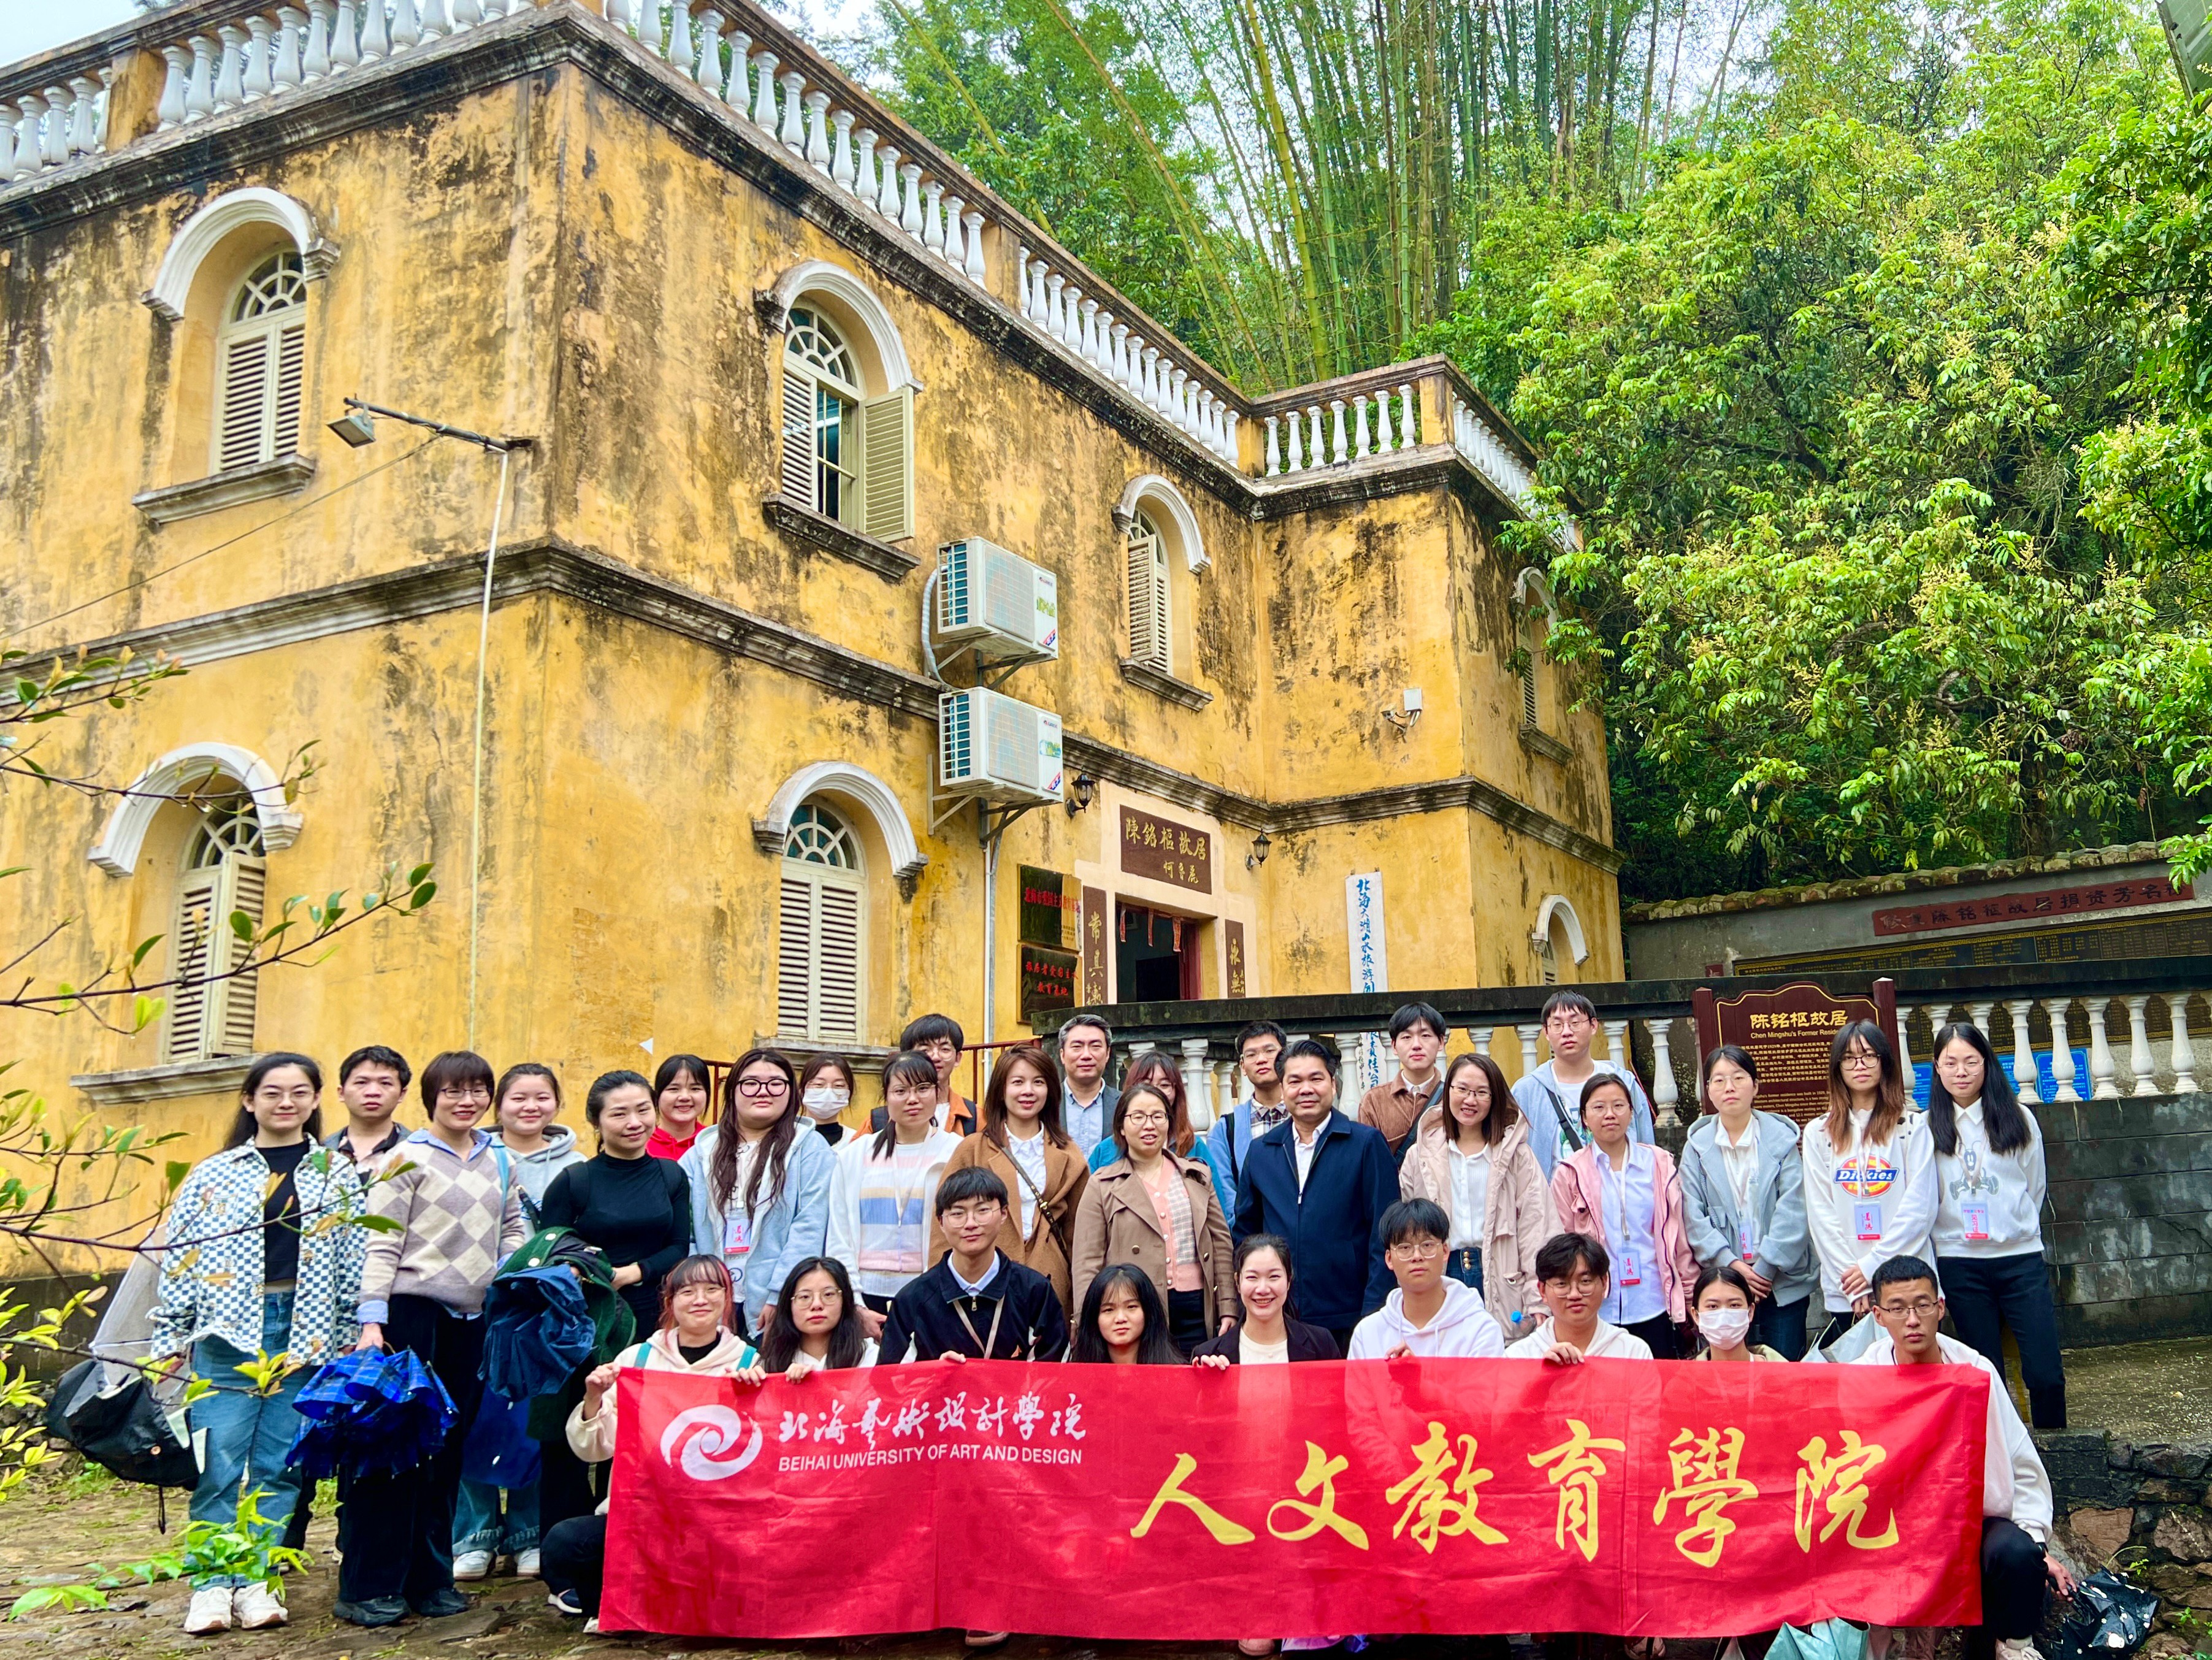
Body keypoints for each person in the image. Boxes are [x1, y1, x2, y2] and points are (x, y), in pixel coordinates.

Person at [154, 1053, 365, 1635]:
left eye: (299, 1092)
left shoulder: (336, 1172)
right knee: (218, 1464)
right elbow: (182, 1257)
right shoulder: (214, 1172)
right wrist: (171, 1334)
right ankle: (210, 1585)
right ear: (249, 1100)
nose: (286, 1102)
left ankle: (257, 1579)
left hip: (307, 1333)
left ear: (316, 1099)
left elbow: (353, 1258)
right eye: (272, 1092)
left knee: (279, 1466)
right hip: (227, 1332)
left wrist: (352, 1333)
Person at [340, 1050, 529, 1628]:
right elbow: (380, 1243)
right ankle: (369, 1585)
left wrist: (509, 1272)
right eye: (453, 1091)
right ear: (431, 1098)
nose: (466, 1101)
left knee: (445, 1453)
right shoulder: (403, 1157)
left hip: (472, 1321)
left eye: (477, 1090)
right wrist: (372, 1321)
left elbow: (514, 1226)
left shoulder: (499, 1158)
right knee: (392, 1452)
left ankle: (431, 1579)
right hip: (410, 1315)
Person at [1851, 1255, 2070, 1660]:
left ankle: (2011, 1646)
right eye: (1897, 1308)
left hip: (1969, 1522)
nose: (1912, 1319)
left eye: (1922, 1305)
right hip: (1894, 1527)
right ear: (1878, 1316)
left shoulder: (1974, 1371)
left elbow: (2019, 1461)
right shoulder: (1862, 1377)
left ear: (1940, 1307)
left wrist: (2036, 1542)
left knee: (2016, 1553)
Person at [541, 1255, 759, 1632]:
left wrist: (753, 1394)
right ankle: (620, 1607)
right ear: (670, 1302)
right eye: (687, 1292)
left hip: (718, 1518)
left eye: (712, 1289)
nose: (700, 1300)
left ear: (727, 1298)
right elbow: (594, 1448)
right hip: (643, 1513)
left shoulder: (749, 1361)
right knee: (564, 1545)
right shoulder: (637, 1360)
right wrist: (594, 1398)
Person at [453, 1062, 581, 1582]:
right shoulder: (475, 1156)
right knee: (476, 1417)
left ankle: (527, 1531)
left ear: (556, 1103)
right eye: (518, 1098)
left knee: (533, 1419)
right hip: (480, 1304)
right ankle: (474, 1533)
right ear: (499, 1104)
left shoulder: (575, 1164)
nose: (530, 1107)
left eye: (542, 1097)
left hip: (543, 1312)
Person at [1927, 1023, 2065, 1428]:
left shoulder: (2018, 1118)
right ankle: (1997, 1455)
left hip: (2019, 1260)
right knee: (1983, 1375)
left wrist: (2013, 1226)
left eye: (1971, 1061)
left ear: (1987, 1064)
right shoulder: (1925, 1127)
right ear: (1936, 1068)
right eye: (1951, 1062)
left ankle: (2056, 1449)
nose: (1961, 1071)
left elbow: (2033, 1185)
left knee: (2045, 1371)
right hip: (1960, 1265)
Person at [1232, 1038, 1396, 1354]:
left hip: (1349, 1316)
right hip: (1278, 1318)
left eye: (1316, 1079)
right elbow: (1245, 1234)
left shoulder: (1365, 1145)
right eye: (1295, 1081)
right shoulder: (1263, 1151)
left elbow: (1385, 1234)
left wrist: (1375, 1310)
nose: (1305, 1089)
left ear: (1333, 1084)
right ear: (1282, 1089)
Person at [1398, 1052, 1552, 1339]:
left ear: (1494, 1099)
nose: (1471, 1100)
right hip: (1443, 1273)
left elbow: (1537, 1227)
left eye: (1482, 1092)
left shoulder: (1517, 1156)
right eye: (1462, 1089)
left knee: (1503, 1358)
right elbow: (1407, 1230)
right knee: (1443, 1356)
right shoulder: (1420, 1156)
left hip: (1501, 1275)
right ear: (1448, 1091)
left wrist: (1538, 1297)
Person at [1071, 1083, 1235, 1353]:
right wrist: (1086, 1320)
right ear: (1121, 1127)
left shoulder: (1196, 1176)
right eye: (1138, 1117)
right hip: (1133, 1312)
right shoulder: (1102, 1185)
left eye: (1158, 1116)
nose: (1149, 1125)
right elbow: (1087, 1262)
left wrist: (1228, 1305)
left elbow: (1221, 1245)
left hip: (1196, 1308)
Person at [681, 1048, 833, 1338]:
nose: (763, 1092)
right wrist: (699, 1289)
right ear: (733, 1091)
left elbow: (811, 1226)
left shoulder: (810, 1148)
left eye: (776, 1083)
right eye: (750, 1083)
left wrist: (782, 1293)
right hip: (710, 1300)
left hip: (778, 1302)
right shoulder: (701, 1152)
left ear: (791, 1092)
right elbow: (684, 1230)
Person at [1803, 1020, 1935, 1348]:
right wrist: (1856, 1280)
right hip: (1848, 1288)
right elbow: (1821, 1214)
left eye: (1869, 1056)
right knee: (1859, 1375)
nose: (1859, 1065)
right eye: (1849, 1058)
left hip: (1907, 1281)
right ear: (1837, 1068)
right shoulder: (1819, 1133)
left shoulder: (1911, 1126)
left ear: (1884, 1062)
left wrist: (1873, 1267)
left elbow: (1919, 1209)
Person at [1677, 1044, 1815, 1361]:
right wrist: (1731, 1264)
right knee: (1730, 1376)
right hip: (1724, 1286)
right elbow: (1692, 1214)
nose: (1729, 1087)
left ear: (1755, 1085)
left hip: (1781, 1283)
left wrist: (1765, 1267)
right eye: (1719, 1080)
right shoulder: (1697, 1148)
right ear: (1708, 1090)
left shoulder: (1781, 1140)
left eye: (1739, 1078)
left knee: (1784, 1372)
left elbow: (1794, 1208)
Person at [1548, 1074, 1696, 1357]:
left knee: (1657, 1381)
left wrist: (1688, 1294)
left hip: (1655, 1302)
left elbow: (1678, 1239)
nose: (1610, 1114)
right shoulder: (1570, 1174)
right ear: (1584, 1118)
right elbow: (1560, 1244)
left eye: (1618, 1105)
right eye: (1598, 1107)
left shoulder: (1659, 1164)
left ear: (1631, 1112)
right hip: (1597, 1309)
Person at [932, 1046, 1089, 1313]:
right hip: (981, 1282)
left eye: (1038, 1082)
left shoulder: (1069, 1153)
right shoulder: (973, 1149)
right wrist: (939, 1294)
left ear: (1050, 1090)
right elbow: (943, 1226)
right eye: (1018, 1082)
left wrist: (1081, 1307)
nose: (1028, 1091)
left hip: (1050, 1285)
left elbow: (1080, 1236)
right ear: (1001, 1090)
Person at [540, 1071, 693, 1336]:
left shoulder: (671, 1175)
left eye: (643, 1110)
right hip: (590, 1316)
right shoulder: (573, 1181)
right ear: (596, 1121)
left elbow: (679, 1247)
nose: (634, 1123)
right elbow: (551, 1252)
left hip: (660, 1314)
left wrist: (631, 1274)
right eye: (619, 1114)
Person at [827, 1051, 965, 1336]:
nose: (912, 1099)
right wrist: (855, 1306)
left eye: (923, 1089)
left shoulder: (956, 1152)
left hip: (934, 1293)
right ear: (887, 1097)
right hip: (866, 1295)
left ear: (937, 1092)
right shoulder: (855, 1155)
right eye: (901, 1091)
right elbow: (839, 1236)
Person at [879, 1167, 1070, 1363]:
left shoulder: (1034, 1292)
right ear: (941, 1222)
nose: (970, 1223)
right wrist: (935, 1373)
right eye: (958, 1213)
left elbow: (1054, 1372)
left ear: (1004, 1213)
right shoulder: (912, 1301)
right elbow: (891, 1377)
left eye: (982, 1210)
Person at [1511, 991, 1656, 1179]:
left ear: (1593, 1025)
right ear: (1546, 1032)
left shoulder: (1624, 1083)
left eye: (1575, 1022)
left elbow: (1646, 1147)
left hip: (1620, 1194)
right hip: (1553, 1196)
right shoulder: (1527, 1092)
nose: (1567, 1032)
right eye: (1557, 1025)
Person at [1347, 1199, 1507, 1359]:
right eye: (1405, 1248)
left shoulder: (1481, 1329)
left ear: (1445, 1251)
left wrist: (1417, 1373)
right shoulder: (1367, 1334)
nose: (1417, 1256)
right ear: (1389, 1259)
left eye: (1427, 1245)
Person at [1085, 1052, 1226, 1204]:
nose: (1154, 1092)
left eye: (1165, 1085)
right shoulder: (1106, 1151)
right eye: (1145, 1084)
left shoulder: (1193, 1146)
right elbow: (1091, 1209)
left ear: (1177, 1092)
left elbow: (1217, 1208)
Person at [1190, 1234, 1342, 1366]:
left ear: (1289, 1281)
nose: (1262, 1289)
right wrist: (1206, 1382)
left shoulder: (1321, 1345)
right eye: (1252, 1277)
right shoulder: (1209, 1355)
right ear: (1237, 1282)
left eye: (1274, 1277)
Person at [1504, 1233, 1655, 1362]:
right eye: (1562, 1284)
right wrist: (1543, 1377)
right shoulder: (1519, 1357)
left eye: (1585, 1281)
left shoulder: (1633, 1352)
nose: (1574, 1294)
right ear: (1543, 1291)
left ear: (1604, 1283)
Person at [749, 1256, 880, 1377]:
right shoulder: (770, 1366)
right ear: (789, 1306)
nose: (817, 1305)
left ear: (845, 1301)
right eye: (805, 1297)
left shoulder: (870, 1357)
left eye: (828, 1294)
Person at [1207, 1020, 1289, 1206]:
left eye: (1269, 1051)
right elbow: (1224, 1192)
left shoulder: (1305, 1116)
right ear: (1243, 1066)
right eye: (1252, 1055)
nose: (1261, 1060)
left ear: (1286, 1057)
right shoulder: (1226, 1130)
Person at [1357, 1002, 1448, 1161]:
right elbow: (1367, 1162)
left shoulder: (1454, 1097)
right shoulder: (1374, 1101)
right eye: (1407, 1037)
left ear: (1441, 1042)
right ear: (1394, 1046)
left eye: (1425, 1036)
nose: (1416, 1045)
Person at [869, 1012, 976, 1134]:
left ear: (957, 1058)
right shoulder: (878, 1121)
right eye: (925, 1050)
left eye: (945, 1049)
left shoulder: (976, 1118)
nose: (935, 1057)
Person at [1068, 1263, 1184, 1364]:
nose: (1120, 1318)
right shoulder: (1076, 1376)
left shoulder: (1177, 1373)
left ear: (1149, 1311)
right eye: (1109, 1310)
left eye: (1131, 1307)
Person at [327, 1044, 412, 1170]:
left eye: (385, 1083)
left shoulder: (419, 1151)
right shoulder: (318, 1151)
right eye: (361, 1082)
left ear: (402, 1094)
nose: (373, 1092)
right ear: (342, 1093)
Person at [1686, 1263, 1789, 1362]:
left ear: (1750, 1312)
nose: (1724, 1316)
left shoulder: (1782, 1371)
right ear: (1696, 1315)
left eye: (1734, 1305)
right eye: (1713, 1306)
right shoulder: (1686, 1374)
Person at [1057, 1014, 1119, 1156]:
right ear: (1062, 1055)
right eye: (1077, 1047)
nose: (1086, 1055)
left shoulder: (1125, 1104)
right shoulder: (1045, 1103)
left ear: (1108, 1054)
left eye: (1095, 1046)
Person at [644, 1053, 711, 1161]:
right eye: (674, 1089)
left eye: (695, 1089)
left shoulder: (715, 1142)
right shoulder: (640, 1144)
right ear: (657, 1095)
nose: (685, 1097)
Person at [798, 1054, 857, 1146]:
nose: (828, 1092)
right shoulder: (785, 1137)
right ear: (802, 1090)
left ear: (849, 1092)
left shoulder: (855, 1141)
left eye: (839, 1085)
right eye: (819, 1084)